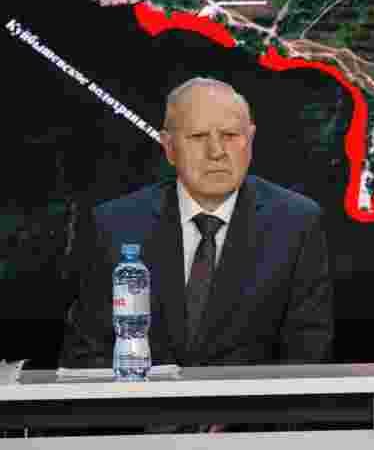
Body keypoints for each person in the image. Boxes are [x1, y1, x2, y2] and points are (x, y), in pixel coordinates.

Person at [61, 77, 334, 367]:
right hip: (141, 397)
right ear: (169, 147)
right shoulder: (115, 225)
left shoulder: (297, 224)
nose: (216, 151)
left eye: (230, 135)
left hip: (253, 398)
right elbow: (87, 354)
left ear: (250, 140)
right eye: (198, 136)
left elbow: (308, 355)